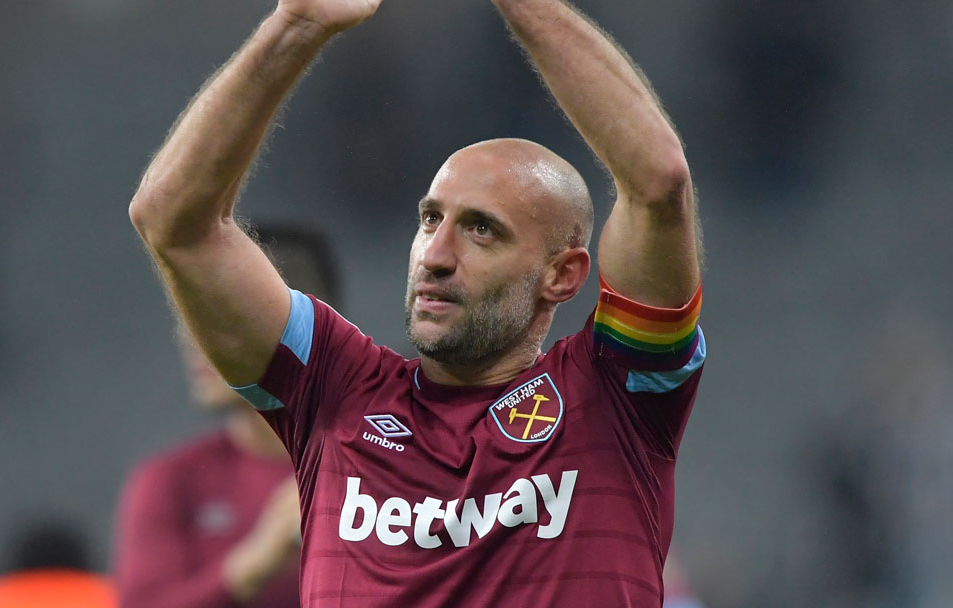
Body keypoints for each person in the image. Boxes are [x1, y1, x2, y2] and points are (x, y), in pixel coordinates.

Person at [128, 0, 705, 605]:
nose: (436, 254)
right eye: (430, 220)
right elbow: (172, 220)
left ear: (562, 275)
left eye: (482, 229)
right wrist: (296, 25)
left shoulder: (617, 392)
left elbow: (659, 183)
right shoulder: (334, 391)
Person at [113, 227, 338, 607]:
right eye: (187, 313)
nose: (190, 337)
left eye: (213, 314)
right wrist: (256, 561)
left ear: (298, 321)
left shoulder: (387, 469)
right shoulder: (173, 481)